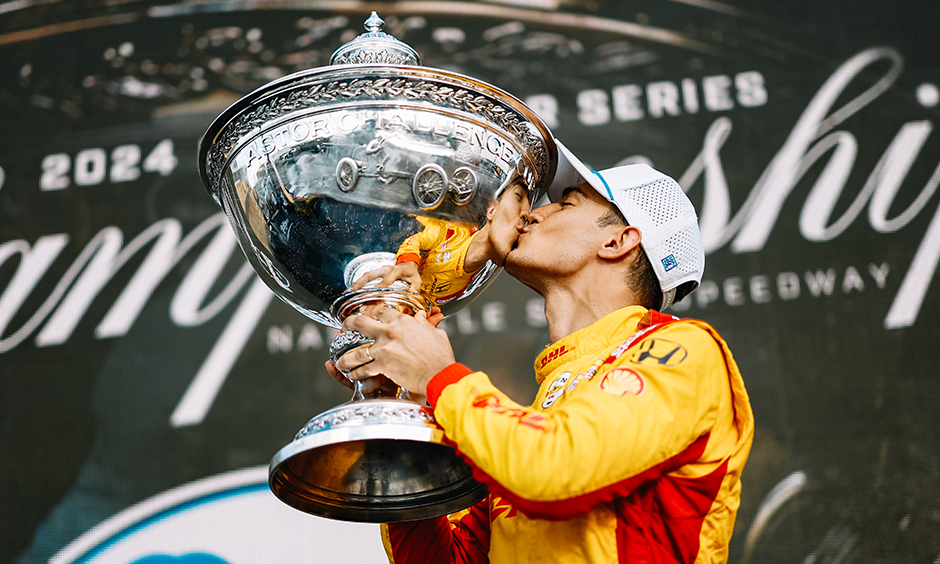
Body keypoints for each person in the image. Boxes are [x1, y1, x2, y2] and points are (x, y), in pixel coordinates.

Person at [328, 140, 754, 563]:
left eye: (566, 204)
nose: (532, 213)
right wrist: (400, 409)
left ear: (617, 242)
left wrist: (437, 375)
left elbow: (554, 467)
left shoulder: (686, 350)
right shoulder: (530, 423)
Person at [351, 174, 531, 306]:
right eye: (518, 197)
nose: (526, 214)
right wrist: (407, 264)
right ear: (491, 210)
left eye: (529, 216)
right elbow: (416, 238)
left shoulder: (472, 284)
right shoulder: (452, 231)